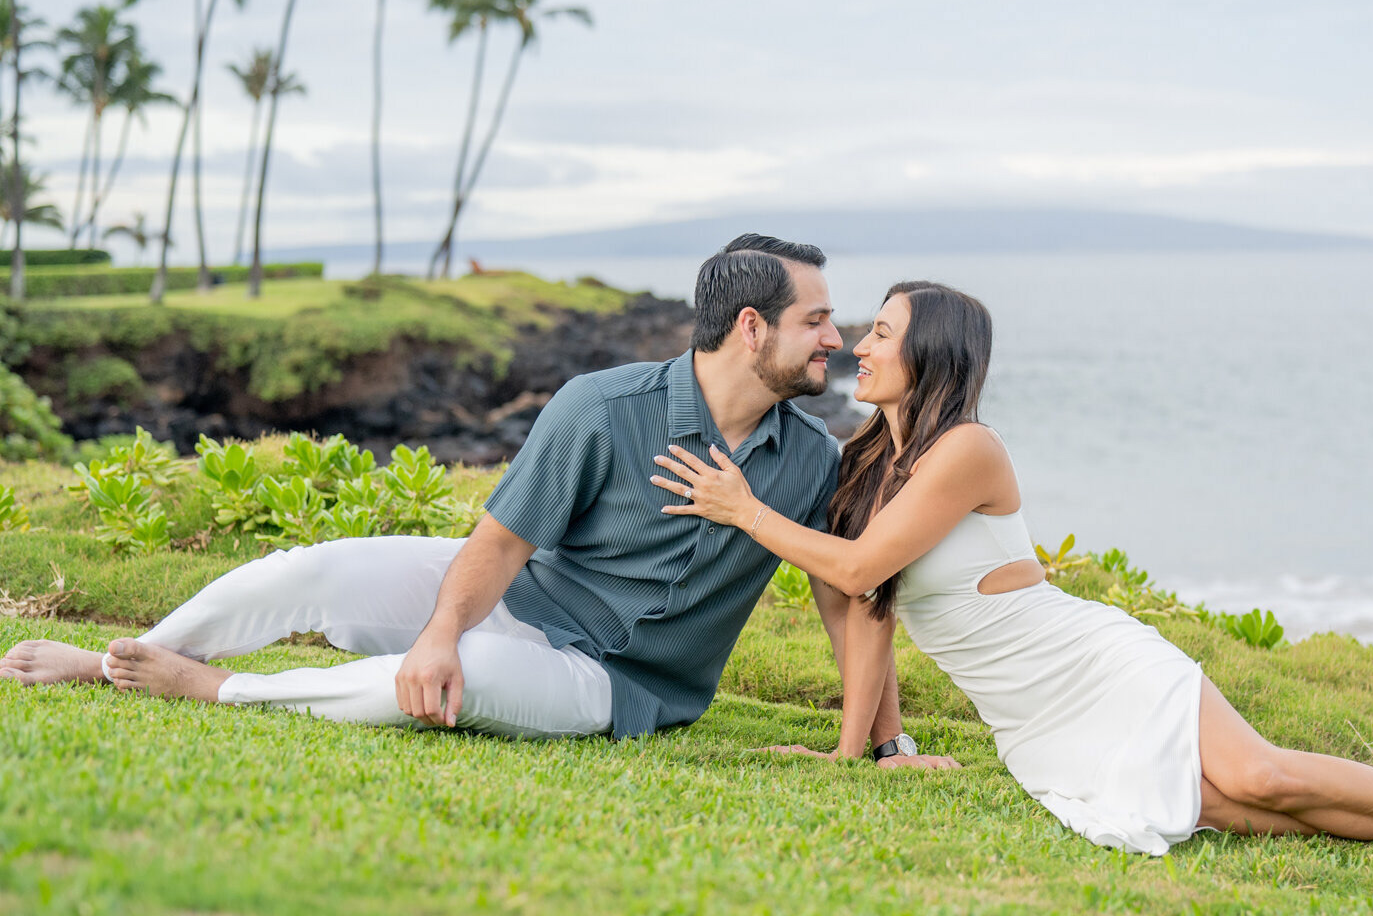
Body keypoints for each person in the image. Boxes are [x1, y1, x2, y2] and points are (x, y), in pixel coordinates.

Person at [651, 280, 1373, 867]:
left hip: (1093, 663)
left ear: (931, 351)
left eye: (884, 332)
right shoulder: (864, 469)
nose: (859, 344)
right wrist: (859, 754)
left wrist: (745, 509)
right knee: (1236, 812)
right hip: (1031, 720)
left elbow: (857, 565)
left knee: (1261, 773)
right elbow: (863, 609)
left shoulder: (968, 450)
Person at [1, 236, 925, 758]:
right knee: (317, 567)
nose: (836, 342)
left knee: (459, 685)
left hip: (624, 684)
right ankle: (127, 657)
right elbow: (502, 543)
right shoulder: (603, 407)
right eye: (816, 320)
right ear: (752, 325)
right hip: (523, 598)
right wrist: (441, 627)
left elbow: (847, 601)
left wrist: (885, 745)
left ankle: (220, 690)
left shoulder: (811, 459)